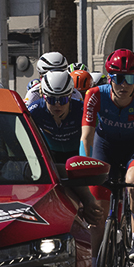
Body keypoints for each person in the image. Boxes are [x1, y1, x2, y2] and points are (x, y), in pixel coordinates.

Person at [81, 49, 134, 264]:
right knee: (97, 215)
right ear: (109, 78)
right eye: (118, 78)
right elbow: (86, 138)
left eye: (130, 78)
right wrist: (83, 171)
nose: (124, 85)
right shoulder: (95, 94)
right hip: (104, 148)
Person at [27, 70, 100, 224]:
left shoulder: (82, 110)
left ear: (70, 96)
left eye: (63, 99)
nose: (58, 105)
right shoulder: (35, 111)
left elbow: (90, 140)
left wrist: (85, 167)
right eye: (52, 100)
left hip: (76, 153)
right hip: (51, 155)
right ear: (43, 96)